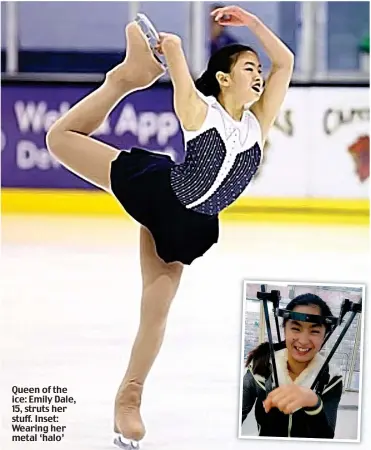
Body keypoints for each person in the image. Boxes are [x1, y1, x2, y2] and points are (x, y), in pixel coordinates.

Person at [46, 5, 294, 446]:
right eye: (249, 67)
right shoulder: (200, 113)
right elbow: (182, 78)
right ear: (223, 78)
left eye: (259, 69)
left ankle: (129, 399)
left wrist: (252, 24)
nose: (260, 75)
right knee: (59, 140)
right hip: (156, 190)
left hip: (189, 224)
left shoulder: (259, 125)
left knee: (154, 311)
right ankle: (123, 80)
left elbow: (287, 62)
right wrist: (173, 49)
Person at [241, 294, 343, 439]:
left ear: (325, 335)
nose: (303, 341)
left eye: (314, 331)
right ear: (284, 329)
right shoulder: (261, 367)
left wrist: (314, 403)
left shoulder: (331, 378)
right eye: (296, 328)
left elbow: (325, 438)